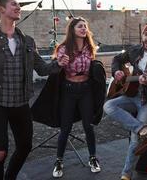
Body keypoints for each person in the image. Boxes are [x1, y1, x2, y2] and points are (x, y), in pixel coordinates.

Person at [0, 0, 67, 180]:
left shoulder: (27, 41)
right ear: (1, 9)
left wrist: (58, 63)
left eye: (18, 5)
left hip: (21, 103)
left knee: (25, 146)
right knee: (0, 152)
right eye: (14, 4)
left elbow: (42, 68)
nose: (19, 7)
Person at [103, 22, 147, 180]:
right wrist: (117, 72)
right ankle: (144, 130)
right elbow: (117, 59)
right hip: (132, 94)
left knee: (135, 137)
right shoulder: (135, 50)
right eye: (146, 34)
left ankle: (126, 174)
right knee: (108, 106)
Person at [49, 17, 103, 178]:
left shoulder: (89, 48)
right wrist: (59, 62)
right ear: (72, 29)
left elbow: (94, 67)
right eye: (80, 26)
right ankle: (59, 160)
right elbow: (55, 68)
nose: (83, 29)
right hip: (69, 90)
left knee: (88, 126)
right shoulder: (64, 48)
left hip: (86, 90)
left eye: (85, 26)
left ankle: (93, 158)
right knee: (65, 128)